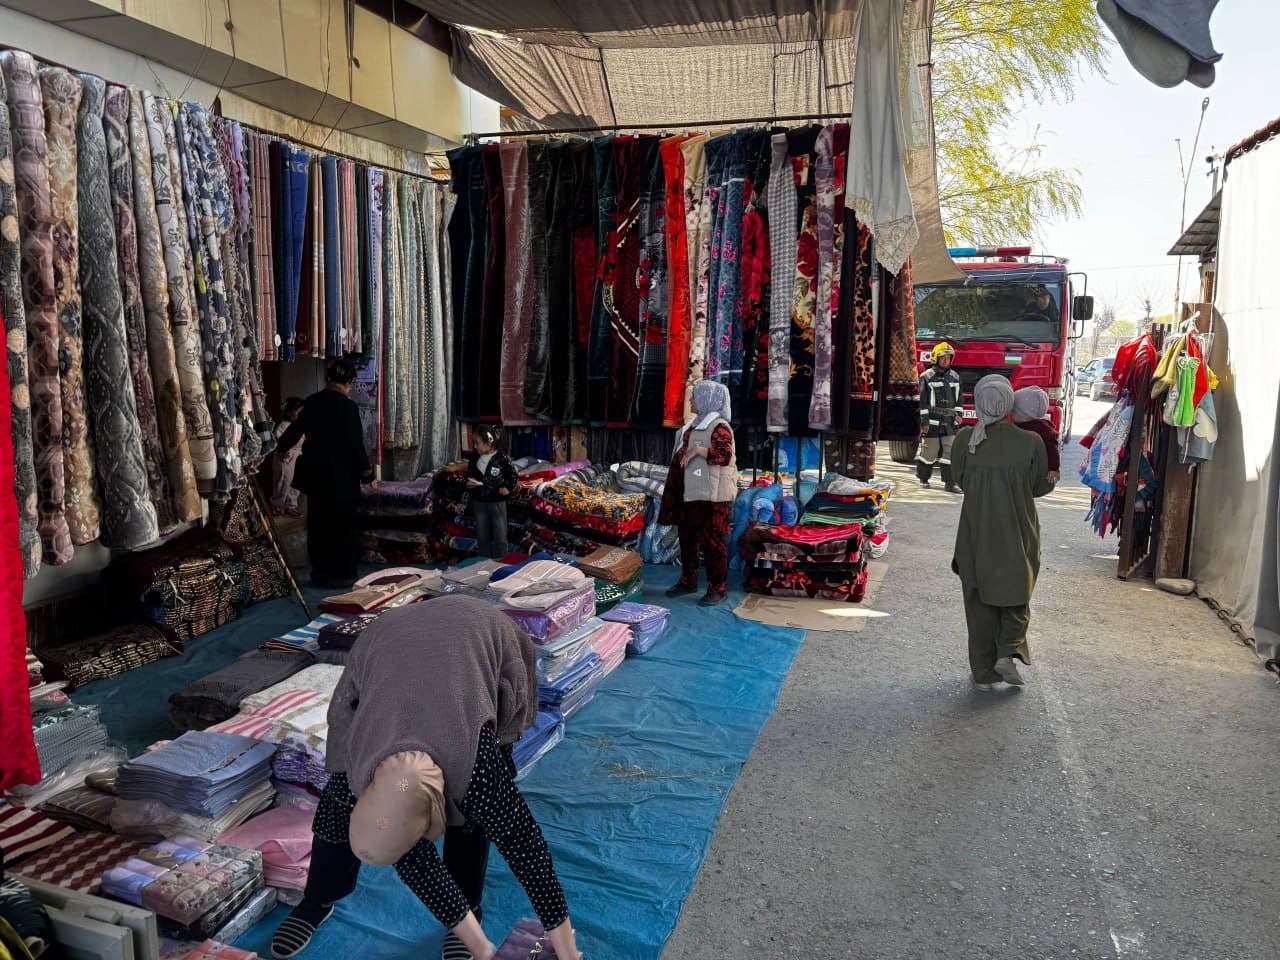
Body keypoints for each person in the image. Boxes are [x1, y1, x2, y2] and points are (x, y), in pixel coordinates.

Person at [269, 597, 584, 960]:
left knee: (472, 818)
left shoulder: (479, 773)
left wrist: (567, 949)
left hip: (480, 629)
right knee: (334, 816)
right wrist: (483, 950)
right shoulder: (354, 771)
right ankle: (317, 900)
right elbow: (414, 862)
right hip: (388, 636)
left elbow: (530, 856)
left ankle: (470, 908)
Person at [950, 375, 1054, 689]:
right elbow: (1039, 486)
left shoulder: (966, 439)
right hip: (1018, 530)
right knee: (1016, 595)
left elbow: (961, 481)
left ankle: (983, 673)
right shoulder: (1031, 442)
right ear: (1009, 402)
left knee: (978, 602)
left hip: (975, 533)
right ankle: (1008, 650)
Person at [277, 361, 372, 588]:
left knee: (319, 524)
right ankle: (343, 574)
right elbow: (355, 444)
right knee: (343, 525)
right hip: (343, 477)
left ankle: (321, 573)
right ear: (348, 383)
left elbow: (293, 431)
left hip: (317, 476)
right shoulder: (348, 408)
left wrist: (281, 447)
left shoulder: (312, 402)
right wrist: (366, 472)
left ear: (329, 380)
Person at [659, 380, 737, 607]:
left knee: (713, 543)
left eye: (694, 397)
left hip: (713, 497)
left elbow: (724, 456)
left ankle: (718, 588)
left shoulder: (719, 426)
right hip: (692, 493)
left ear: (707, 399)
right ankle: (688, 581)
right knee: (688, 539)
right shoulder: (695, 424)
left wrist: (699, 450)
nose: (690, 401)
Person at [916, 342, 963, 492]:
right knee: (930, 451)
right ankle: (923, 477)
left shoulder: (955, 377)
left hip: (949, 422)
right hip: (932, 421)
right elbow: (922, 401)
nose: (945, 361)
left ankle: (950, 483)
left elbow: (959, 399)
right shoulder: (926, 377)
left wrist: (959, 414)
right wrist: (924, 421)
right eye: (942, 358)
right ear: (936, 358)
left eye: (948, 358)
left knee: (950, 451)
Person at [466, 426, 518, 560]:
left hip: (497, 501)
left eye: (478, 443)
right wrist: (470, 483)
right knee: (482, 533)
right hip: (479, 501)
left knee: (500, 533)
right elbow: (469, 475)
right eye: (474, 443)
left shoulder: (502, 459)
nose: (476, 446)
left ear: (489, 441)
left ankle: (501, 558)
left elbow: (512, 476)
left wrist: (508, 487)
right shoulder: (474, 458)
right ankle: (483, 559)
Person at [1012, 386, 1062, 487]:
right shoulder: (1021, 424)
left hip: (1032, 473)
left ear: (1024, 414)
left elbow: (1052, 449)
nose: (1011, 413)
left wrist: (1053, 468)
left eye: (1014, 410)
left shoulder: (1042, 430)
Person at [270, 397, 305, 517]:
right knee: (283, 481)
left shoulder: (300, 427)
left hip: (297, 457)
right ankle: (277, 504)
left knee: (295, 483)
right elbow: (280, 442)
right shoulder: (284, 425)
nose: (300, 415)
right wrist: (283, 450)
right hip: (285, 458)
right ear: (290, 412)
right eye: (298, 412)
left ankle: (291, 505)